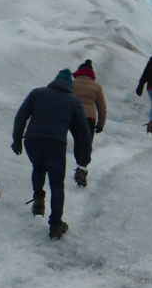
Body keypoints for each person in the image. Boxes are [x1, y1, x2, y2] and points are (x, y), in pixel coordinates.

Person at [12, 69, 93, 239]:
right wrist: (84, 158)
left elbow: (21, 116)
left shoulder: (37, 93)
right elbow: (84, 132)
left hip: (33, 142)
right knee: (57, 184)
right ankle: (56, 225)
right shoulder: (73, 101)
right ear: (69, 86)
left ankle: (38, 197)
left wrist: (17, 139)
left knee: (38, 167)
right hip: (56, 145)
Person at [71, 59, 106, 187]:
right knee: (86, 143)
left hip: (73, 117)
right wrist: (101, 124)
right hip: (89, 119)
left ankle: (79, 166)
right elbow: (102, 107)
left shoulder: (72, 84)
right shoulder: (96, 86)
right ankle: (82, 168)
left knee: (78, 141)